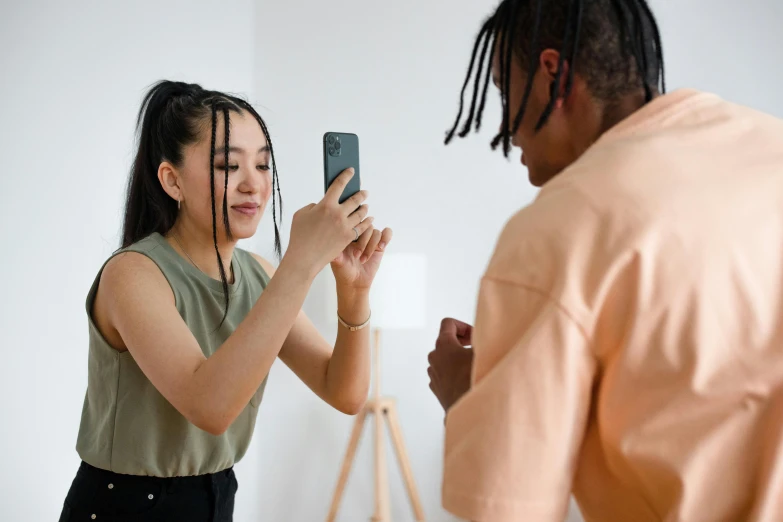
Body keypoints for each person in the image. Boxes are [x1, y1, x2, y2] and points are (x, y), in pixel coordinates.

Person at [427, 0, 783, 521]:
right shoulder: (768, 145)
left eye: (506, 92)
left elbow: (508, 509)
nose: (506, 125)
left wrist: (467, 396)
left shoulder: (559, 227)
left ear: (554, 75)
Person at [59, 80, 392, 522]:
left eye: (263, 165)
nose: (254, 184)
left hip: (215, 498)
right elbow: (210, 407)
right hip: (124, 507)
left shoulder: (260, 277)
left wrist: (354, 293)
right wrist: (300, 262)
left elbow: (345, 392)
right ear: (171, 180)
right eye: (229, 166)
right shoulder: (132, 274)